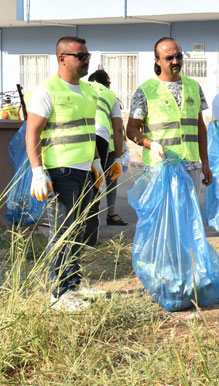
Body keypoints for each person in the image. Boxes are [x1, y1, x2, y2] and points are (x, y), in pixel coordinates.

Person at [25, 36, 102, 312]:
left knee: (78, 229)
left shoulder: (87, 90)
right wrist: (37, 170)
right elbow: (32, 131)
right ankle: (57, 293)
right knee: (62, 231)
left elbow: (87, 131)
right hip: (60, 170)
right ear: (62, 58)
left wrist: (96, 162)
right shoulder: (47, 89)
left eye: (87, 55)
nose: (86, 60)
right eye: (80, 56)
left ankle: (73, 284)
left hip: (83, 171)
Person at [126, 37, 212, 200]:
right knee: (163, 222)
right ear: (157, 61)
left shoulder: (194, 87)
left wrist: (205, 164)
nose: (175, 61)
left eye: (179, 56)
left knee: (187, 220)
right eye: (169, 58)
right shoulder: (145, 90)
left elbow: (199, 128)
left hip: (191, 166)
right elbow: (131, 130)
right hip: (160, 168)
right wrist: (151, 145)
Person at [83, 69, 127, 247]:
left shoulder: (80, 87)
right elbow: (118, 128)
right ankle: (90, 238)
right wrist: (118, 157)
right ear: (107, 84)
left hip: (80, 136)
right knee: (99, 185)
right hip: (103, 140)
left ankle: (73, 235)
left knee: (80, 184)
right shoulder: (111, 95)